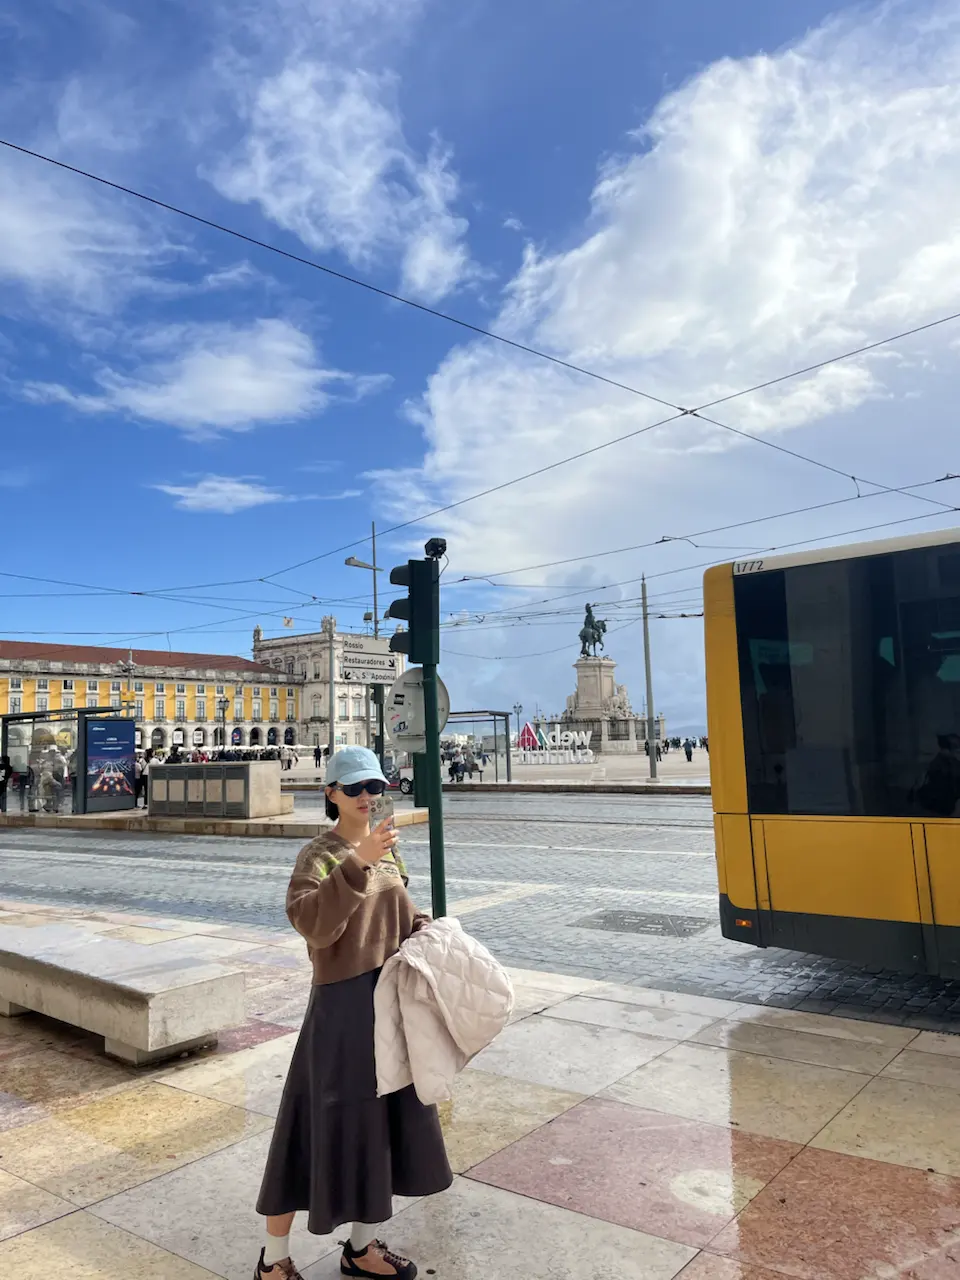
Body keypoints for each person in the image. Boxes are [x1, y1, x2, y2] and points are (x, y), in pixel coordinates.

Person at [254, 746, 451, 1280]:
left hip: (389, 999)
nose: (367, 796)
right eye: (355, 788)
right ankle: (273, 1260)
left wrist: (429, 930)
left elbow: (400, 915)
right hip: (342, 1006)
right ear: (331, 793)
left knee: (380, 1124)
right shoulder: (318, 855)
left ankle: (361, 1249)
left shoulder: (387, 849)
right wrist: (357, 861)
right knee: (311, 1126)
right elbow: (315, 927)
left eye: (375, 787)